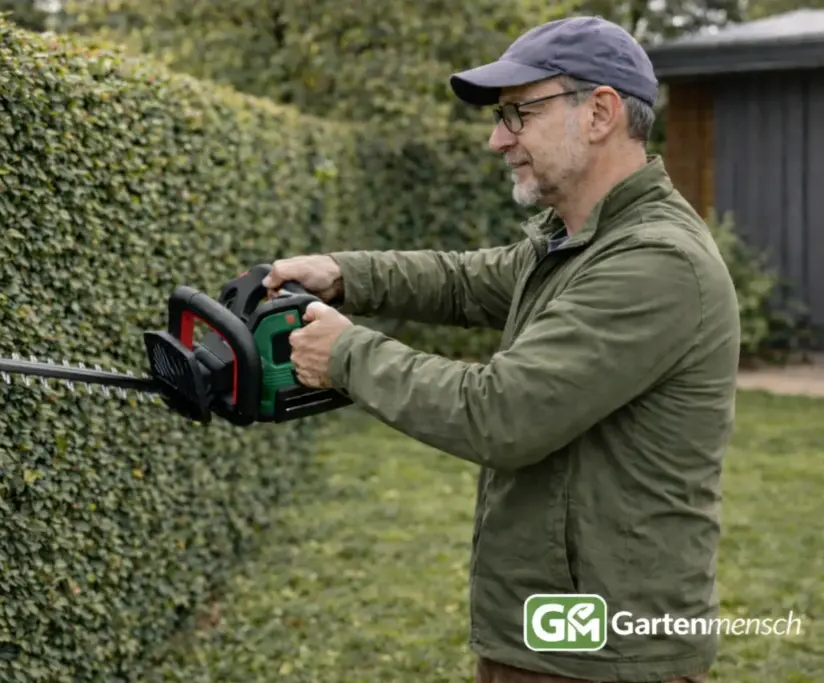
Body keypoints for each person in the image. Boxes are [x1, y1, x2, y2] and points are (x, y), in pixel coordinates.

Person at [263, 15, 741, 683]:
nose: (497, 139)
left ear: (600, 113)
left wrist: (345, 355)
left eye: (519, 113)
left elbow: (501, 414)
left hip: (602, 655)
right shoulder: (579, 241)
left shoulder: (654, 262)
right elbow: (464, 281)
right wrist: (342, 272)